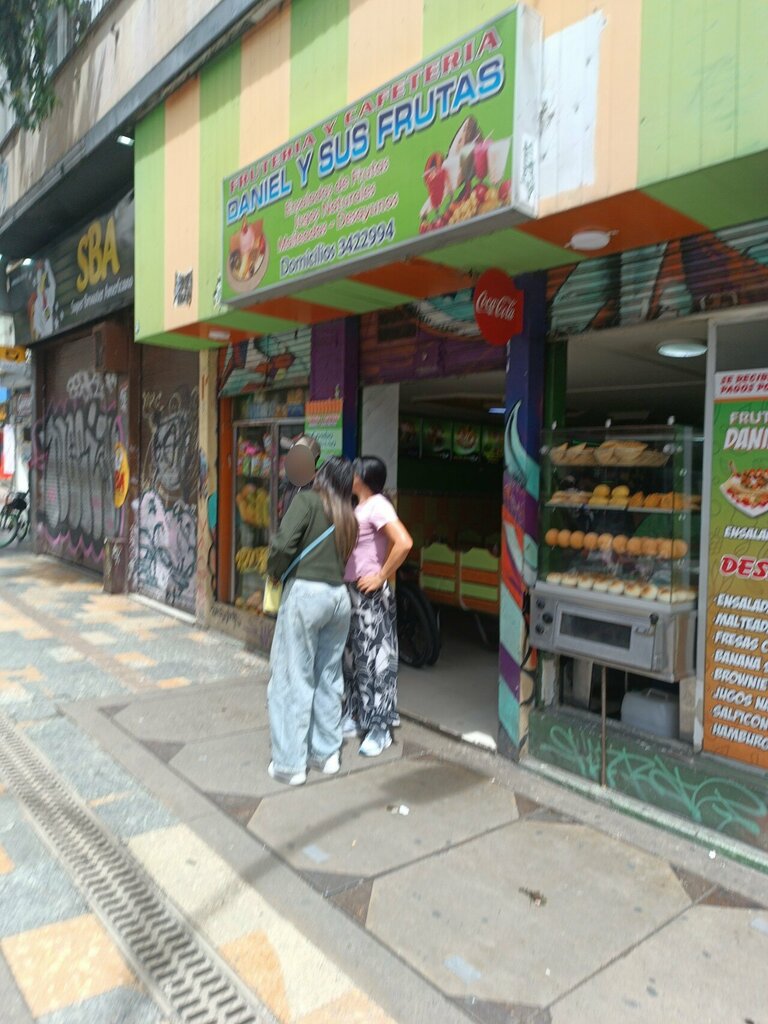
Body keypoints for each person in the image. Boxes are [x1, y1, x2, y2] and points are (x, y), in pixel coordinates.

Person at [266, 456, 358, 785]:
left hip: (305, 596)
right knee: (329, 677)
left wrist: (274, 573)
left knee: (293, 678)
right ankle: (327, 754)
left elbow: (282, 544)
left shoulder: (306, 500)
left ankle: (290, 765)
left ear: (322, 476)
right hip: (338, 599)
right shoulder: (350, 516)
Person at [342, 456, 413, 757]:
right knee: (353, 659)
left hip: (370, 595)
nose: (350, 474)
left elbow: (404, 542)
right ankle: (357, 715)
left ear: (365, 476)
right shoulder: (357, 506)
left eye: (354, 471)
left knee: (376, 661)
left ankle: (380, 727)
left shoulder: (379, 505)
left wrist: (382, 575)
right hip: (352, 593)